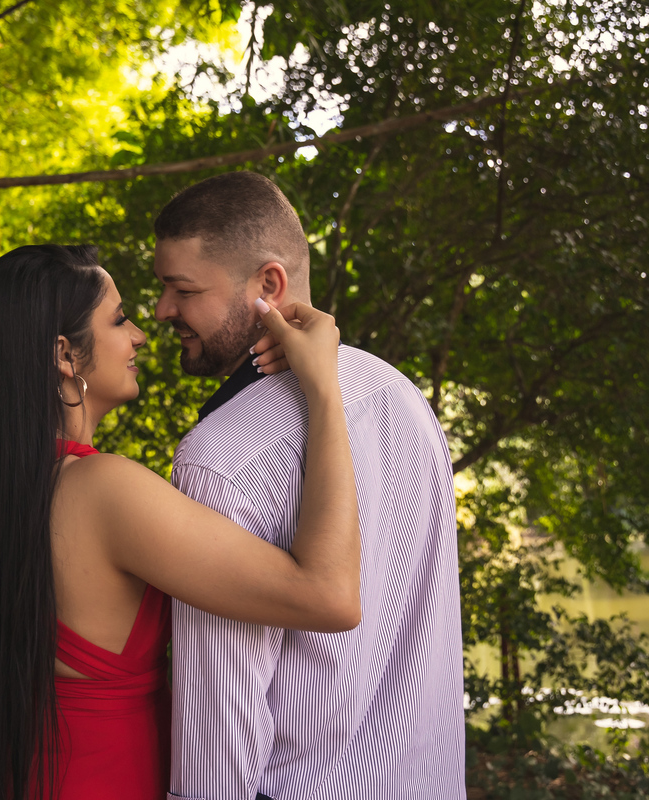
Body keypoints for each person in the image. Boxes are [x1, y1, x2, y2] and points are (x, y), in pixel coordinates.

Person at [0, 243, 359, 800]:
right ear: (65, 354)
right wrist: (324, 388)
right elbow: (329, 595)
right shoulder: (106, 492)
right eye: (119, 319)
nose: (140, 334)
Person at [154, 171, 466, 800]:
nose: (162, 311)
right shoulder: (400, 397)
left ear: (269, 284)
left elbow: (223, 712)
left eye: (182, 289)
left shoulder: (216, 458)